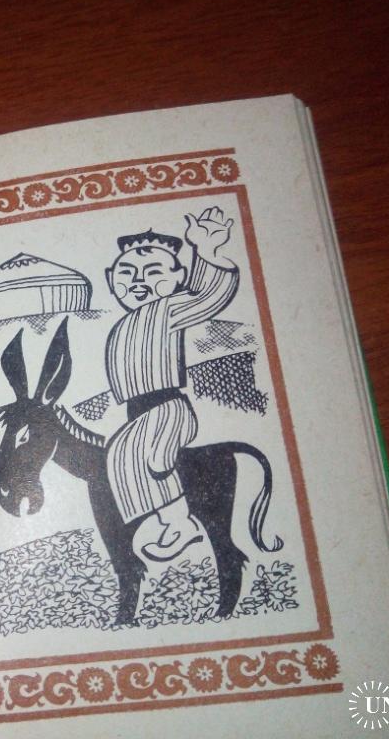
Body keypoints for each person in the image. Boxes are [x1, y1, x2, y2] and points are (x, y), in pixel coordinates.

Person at [103, 206, 238, 561]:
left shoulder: (167, 310)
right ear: (110, 278)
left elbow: (208, 298)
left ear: (179, 277)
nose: (138, 282)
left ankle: (181, 523)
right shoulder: (127, 322)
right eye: (127, 273)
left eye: (153, 272)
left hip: (167, 407)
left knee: (146, 456)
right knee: (121, 453)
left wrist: (207, 252)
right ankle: (164, 518)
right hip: (139, 411)